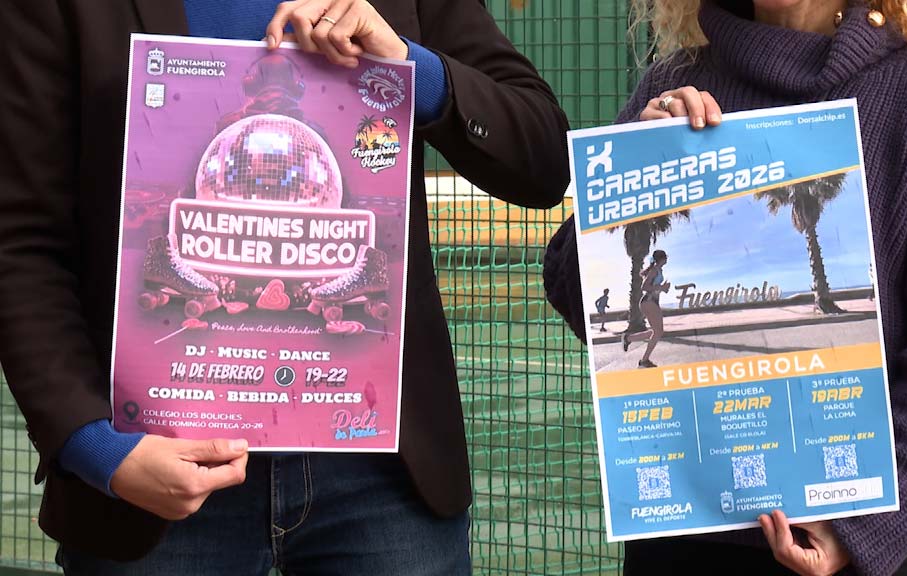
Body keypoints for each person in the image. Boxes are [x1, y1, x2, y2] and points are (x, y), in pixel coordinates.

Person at [0, 0, 569, 573]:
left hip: (382, 472)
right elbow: (21, 237)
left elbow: (544, 156)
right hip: (154, 470)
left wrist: (408, 70)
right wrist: (96, 447)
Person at [543, 0, 907, 575]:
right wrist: (632, 168)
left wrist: (861, 531)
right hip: (679, 546)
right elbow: (577, 296)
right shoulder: (671, 87)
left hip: (848, 554)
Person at [621, 250, 670, 368]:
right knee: (658, 332)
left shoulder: (658, 270)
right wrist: (661, 287)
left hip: (651, 302)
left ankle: (628, 338)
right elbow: (644, 287)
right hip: (649, 301)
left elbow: (654, 287)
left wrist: (663, 289)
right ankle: (644, 360)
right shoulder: (654, 270)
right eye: (665, 257)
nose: (667, 259)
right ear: (662, 259)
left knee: (656, 331)